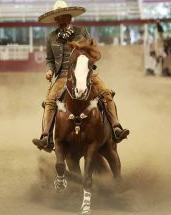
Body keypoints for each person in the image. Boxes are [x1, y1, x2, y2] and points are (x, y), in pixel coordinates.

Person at [32, 0, 129, 152]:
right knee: (50, 101)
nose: (60, 20)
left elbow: (92, 51)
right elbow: (50, 60)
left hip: (84, 73)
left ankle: (116, 127)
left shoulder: (82, 32)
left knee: (106, 93)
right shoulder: (51, 37)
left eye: (62, 17)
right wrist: (49, 70)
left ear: (69, 17)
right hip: (63, 76)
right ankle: (46, 137)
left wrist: (86, 62)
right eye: (57, 18)